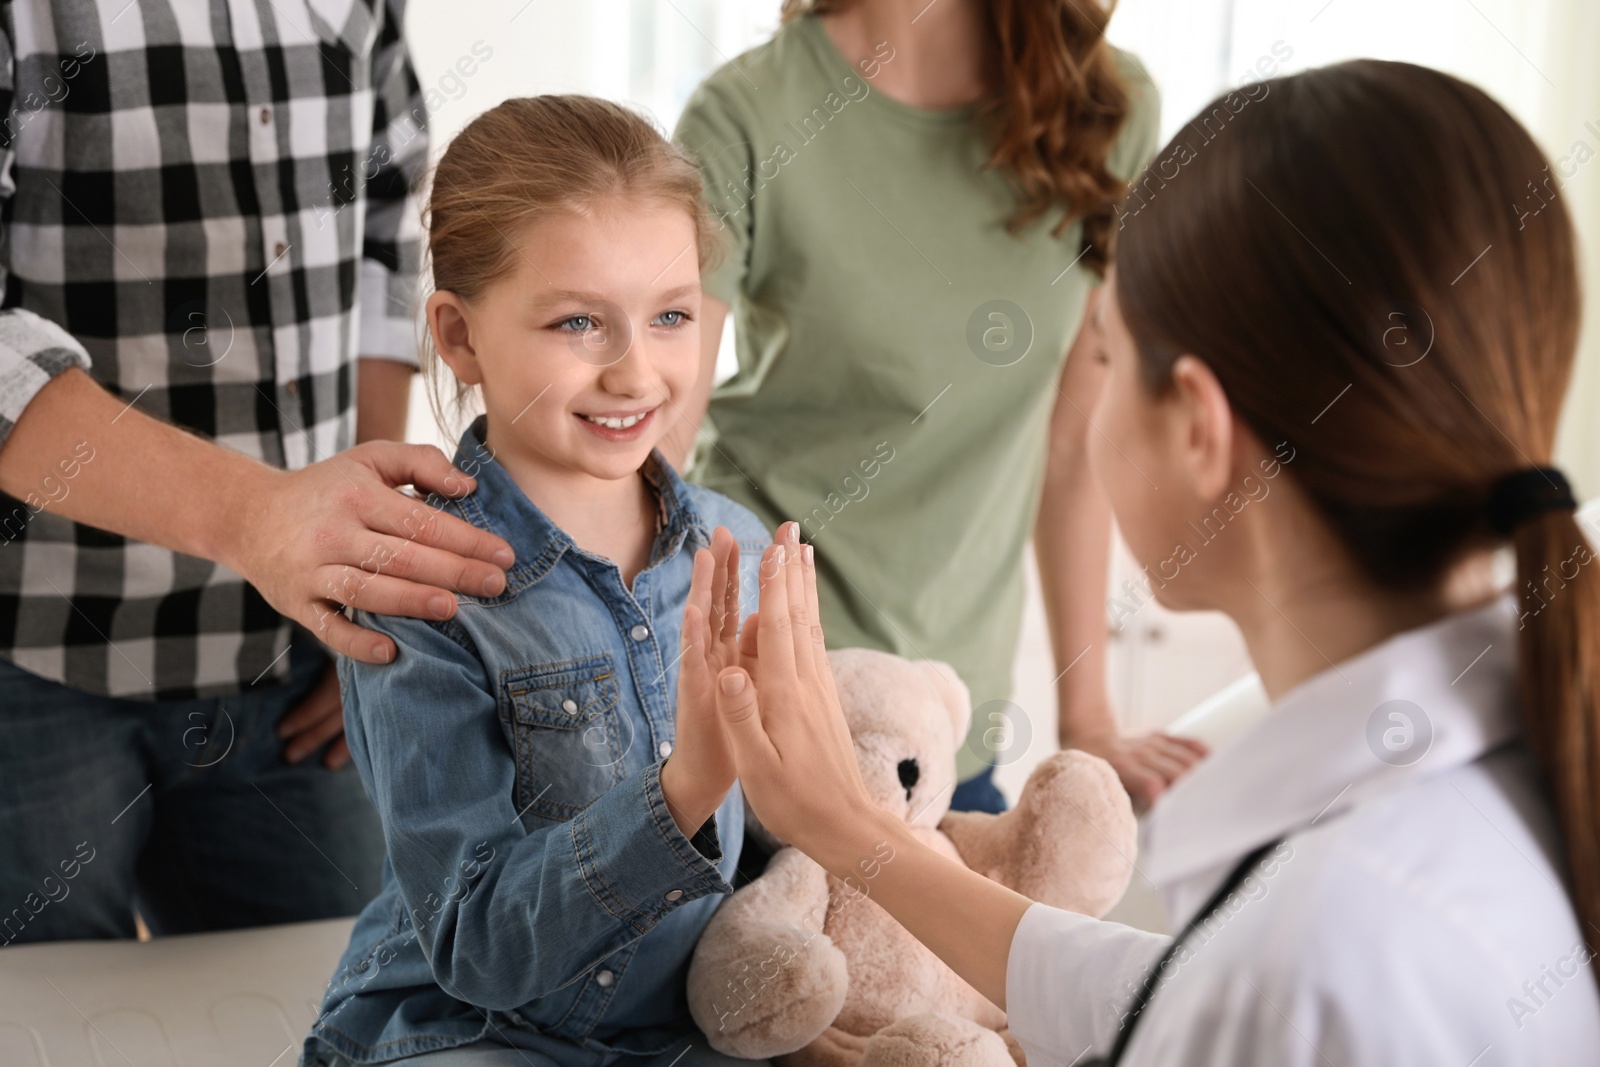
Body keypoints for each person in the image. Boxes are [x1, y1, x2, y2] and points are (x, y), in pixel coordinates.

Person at [704, 61, 1600, 1064]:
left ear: (1197, 430)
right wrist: (852, 828)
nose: (1081, 424)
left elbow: (1235, 998)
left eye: (1104, 354)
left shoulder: (1324, 957)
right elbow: (1166, 992)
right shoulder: (1507, 784)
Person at [0, 0, 518, 944]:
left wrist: (354, 563)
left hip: (294, 664)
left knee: (342, 1005)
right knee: (42, 1027)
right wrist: (265, 519)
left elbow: (384, 235)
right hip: (34, 658)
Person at [300, 96, 772, 1067]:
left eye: (671, 315)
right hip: (469, 1031)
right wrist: (683, 788)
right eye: (577, 323)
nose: (637, 371)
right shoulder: (417, 582)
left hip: (687, 1033)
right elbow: (474, 941)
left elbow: (774, 850)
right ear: (460, 336)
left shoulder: (738, 547)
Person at [668, 0, 1207, 814]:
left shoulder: (1109, 110)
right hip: (761, 703)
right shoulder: (747, 113)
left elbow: (1069, 447)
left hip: (954, 728)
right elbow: (657, 435)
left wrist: (1089, 718)